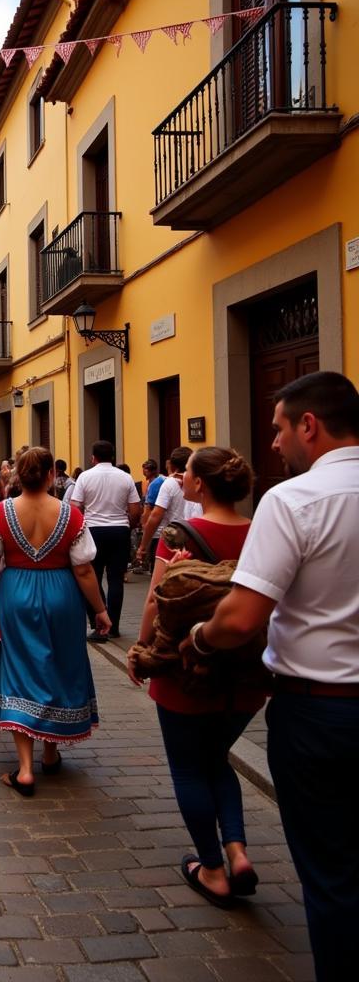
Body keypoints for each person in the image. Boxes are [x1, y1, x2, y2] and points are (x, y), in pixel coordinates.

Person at [184, 372, 359, 981]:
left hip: (322, 713)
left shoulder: (294, 500)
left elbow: (240, 618)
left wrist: (200, 637)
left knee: (333, 874)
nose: (276, 442)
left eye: (281, 427)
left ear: (309, 424)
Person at [126, 447, 264, 908]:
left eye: (186, 473)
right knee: (218, 761)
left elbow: (154, 602)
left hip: (184, 668)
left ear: (200, 485)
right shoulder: (263, 532)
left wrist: (142, 650)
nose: (180, 477)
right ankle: (238, 851)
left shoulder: (180, 533)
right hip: (246, 672)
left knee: (188, 768)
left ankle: (211, 867)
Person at [0, 447, 107, 797]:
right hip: (62, 594)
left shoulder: (1, 513)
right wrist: (100, 610)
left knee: (20, 667)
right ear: (48, 477)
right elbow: (84, 568)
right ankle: (50, 750)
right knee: (58, 662)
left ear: (17, 478)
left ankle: (25, 769)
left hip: (16, 592)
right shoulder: (70, 515)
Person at [69, 440, 141, 640]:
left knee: (93, 576)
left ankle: (98, 623)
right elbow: (135, 509)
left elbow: (75, 506)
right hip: (119, 530)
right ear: (113, 456)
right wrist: (130, 525)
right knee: (116, 579)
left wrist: (81, 525)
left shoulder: (85, 476)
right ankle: (115, 626)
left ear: (93, 457)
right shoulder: (125, 477)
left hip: (93, 530)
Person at [135, 446, 200, 567]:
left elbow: (156, 515)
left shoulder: (169, 484)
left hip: (173, 540)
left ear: (172, 466)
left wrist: (143, 545)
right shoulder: (199, 482)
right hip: (196, 538)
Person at [137, 458, 166, 569]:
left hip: (155, 524)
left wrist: (144, 522)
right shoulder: (161, 480)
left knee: (153, 548)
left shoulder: (154, 484)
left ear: (150, 471)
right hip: (160, 522)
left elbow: (148, 507)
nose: (143, 472)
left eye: (145, 470)